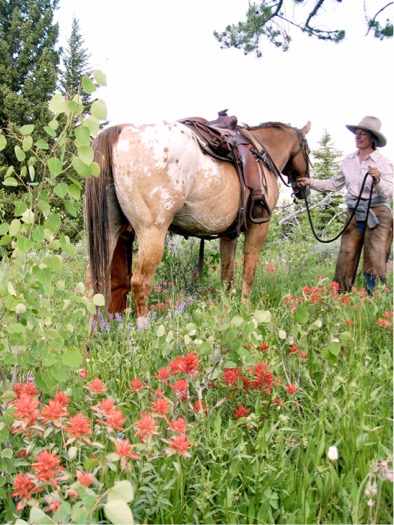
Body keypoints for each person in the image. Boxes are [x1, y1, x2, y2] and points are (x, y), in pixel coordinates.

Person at [297, 116, 393, 293]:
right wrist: (310, 182)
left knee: (375, 258)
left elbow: (389, 192)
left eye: (363, 134)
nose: (358, 136)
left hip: (378, 214)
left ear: (372, 138)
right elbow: (334, 184)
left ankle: (375, 299)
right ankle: (340, 297)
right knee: (345, 257)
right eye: (357, 133)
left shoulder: (383, 162)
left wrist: (377, 178)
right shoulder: (348, 160)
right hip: (354, 213)